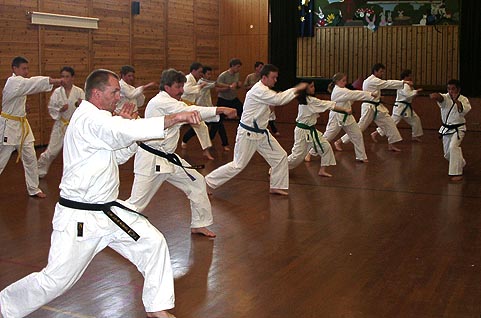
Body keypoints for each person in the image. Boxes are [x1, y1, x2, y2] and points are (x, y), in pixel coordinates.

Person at [0, 69, 201, 318]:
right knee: (56, 280)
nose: (118, 96)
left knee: (153, 243)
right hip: (80, 219)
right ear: (97, 93)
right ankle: (4, 307)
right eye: (114, 91)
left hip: (107, 212)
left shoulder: (99, 119)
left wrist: (128, 128)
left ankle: (156, 308)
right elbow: (119, 131)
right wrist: (174, 118)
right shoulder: (89, 118)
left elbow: (116, 154)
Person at [127, 68, 236, 238]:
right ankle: (109, 227)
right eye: (178, 86)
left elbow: (189, 110)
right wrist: (220, 109)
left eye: (182, 86)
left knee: (198, 182)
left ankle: (199, 224)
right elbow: (190, 111)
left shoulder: (170, 101)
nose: (181, 90)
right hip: (151, 160)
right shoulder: (161, 102)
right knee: (136, 204)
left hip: (169, 158)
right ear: (167, 87)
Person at [205, 64, 308, 196]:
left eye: (276, 77)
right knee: (238, 165)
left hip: (261, 133)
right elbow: (278, 99)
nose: (275, 80)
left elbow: (274, 101)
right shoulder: (259, 90)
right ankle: (207, 182)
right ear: (264, 77)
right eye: (273, 77)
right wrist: (297, 89)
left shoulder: (265, 90)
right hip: (248, 133)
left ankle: (277, 185)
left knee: (280, 157)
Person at [0, 56, 63, 198]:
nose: (26, 71)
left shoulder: (19, 84)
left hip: (22, 125)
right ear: (14, 69)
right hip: (8, 127)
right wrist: (53, 81)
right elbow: (32, 84)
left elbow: (20, 93)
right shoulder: (13, 81)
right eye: (24, 68)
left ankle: (33, 188)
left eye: (27, 68)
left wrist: (22, 108)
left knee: (30, 158)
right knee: (1, 160)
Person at [338, 63, 410, 152]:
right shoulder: (372, 80)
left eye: (383, 72)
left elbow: (373, 91)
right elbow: (387, 84)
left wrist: (379, 97)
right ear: (375, 71)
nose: (382, 74)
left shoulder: (373, 80)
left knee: (389, 123)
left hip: (377, 107)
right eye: (380, 72)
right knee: (360, 127)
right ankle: (339, 141)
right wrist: (403, 82)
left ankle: (391, 144)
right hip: (369, 107)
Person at [288, 80, 351, 177]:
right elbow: (329, 105)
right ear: (306, 89)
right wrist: (345, 109)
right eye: (311, 86)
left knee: (326, 146)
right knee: (297, 157)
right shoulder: (310, 101)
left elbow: (327, 104)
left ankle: (322, 170)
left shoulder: (308, 99)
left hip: (311, 131)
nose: (314, 88)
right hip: (303, 132)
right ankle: (276, 168)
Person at [37, 66, 85, 178]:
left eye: (67, 76)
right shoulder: (57, 92)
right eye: (62, 76)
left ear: (73, 78)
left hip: (74, 127)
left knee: (77, 153)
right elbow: (51, 107)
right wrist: (59, 110)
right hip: (60, 125)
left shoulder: (79, 91)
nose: (64, 79)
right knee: (52, 152)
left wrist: (80, 105)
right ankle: (38, 171)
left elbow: (85, 108)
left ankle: (77, 175)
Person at [322, 72, 378, 163]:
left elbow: (350, 97)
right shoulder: (338, 91)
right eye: (343, 81)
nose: (345, 82)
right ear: (337, 82)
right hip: (336, 117)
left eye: (345, 80)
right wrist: (370, 94)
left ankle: (361, 156)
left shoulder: (342, 89)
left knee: (357, 135)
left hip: (347, 117)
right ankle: (311, 152)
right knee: (328, 136)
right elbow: (354, 94)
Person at [430, 79, 471, 181]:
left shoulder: (464, 99)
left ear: (458, 89)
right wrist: (435, 96)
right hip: (446, 129)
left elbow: (463, 110)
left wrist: (456, 101)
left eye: (453, 89)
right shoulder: (446, 97)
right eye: (449, 89)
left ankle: (457, 173)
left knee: (453, 147)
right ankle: (461, 162)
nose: (450, 91)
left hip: (458, 129)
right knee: (447, 154)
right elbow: (440, 98)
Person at [372, 69, 423, 142]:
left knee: (415, 120)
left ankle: (415, 135)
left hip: (406, 108)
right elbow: (408, 95)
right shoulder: (404, 85)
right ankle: (376, 133)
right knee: (392, 122)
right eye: (410, 75)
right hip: (400, 107)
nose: (411, 77)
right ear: (406, 76)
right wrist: (416, 91)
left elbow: (409, 96)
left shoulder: (406, 85)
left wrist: (414, 91)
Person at [180, 62, 214, 160]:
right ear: (193, 71)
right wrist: (200, 86)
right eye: (199, 72)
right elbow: (186, 90)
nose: (201, 74)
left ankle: (206, 150)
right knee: (173, 128)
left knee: (202, 127)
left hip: (190, 106)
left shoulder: (193, 80)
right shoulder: (188, 78)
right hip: (183, 106)